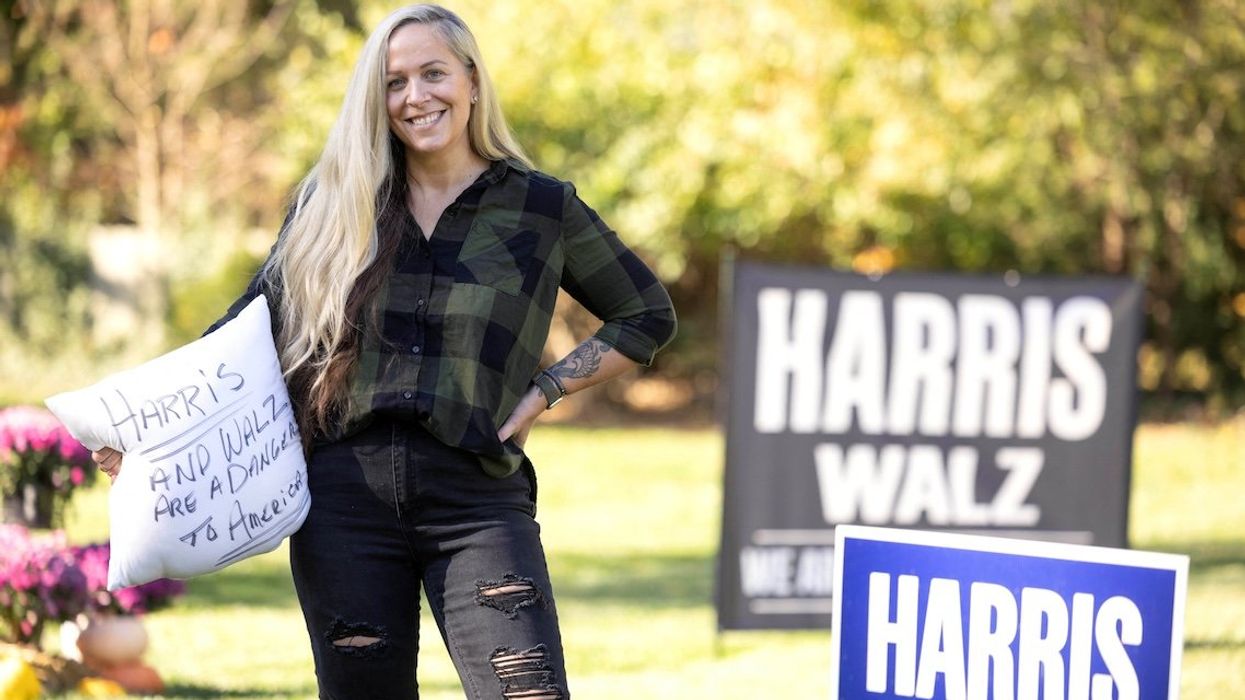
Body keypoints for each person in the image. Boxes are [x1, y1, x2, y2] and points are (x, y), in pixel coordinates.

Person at [91, 4, 676, 698]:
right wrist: (149, 437)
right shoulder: (333, 203)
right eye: (394, 83)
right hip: (344, 502)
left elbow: (645, 314)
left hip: (476, 500)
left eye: (432, 74)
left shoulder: (540, 208)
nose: (414, 96)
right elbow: (244, 331)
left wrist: (548, 388)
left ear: (471, 81)